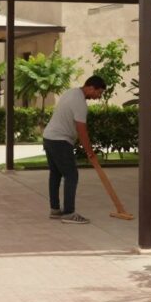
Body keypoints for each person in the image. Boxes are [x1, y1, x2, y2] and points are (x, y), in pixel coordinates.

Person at [42, 75, 107, 224]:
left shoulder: (71, 92)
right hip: (59, 140)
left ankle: (55, 210)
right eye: (99, 92)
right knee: (71, 175)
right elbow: (82, 130)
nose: (98, 97)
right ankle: (69, 213)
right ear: (91, 88)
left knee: (56, 174)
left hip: (49, 137)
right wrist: (90, 152)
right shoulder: (80, 103)